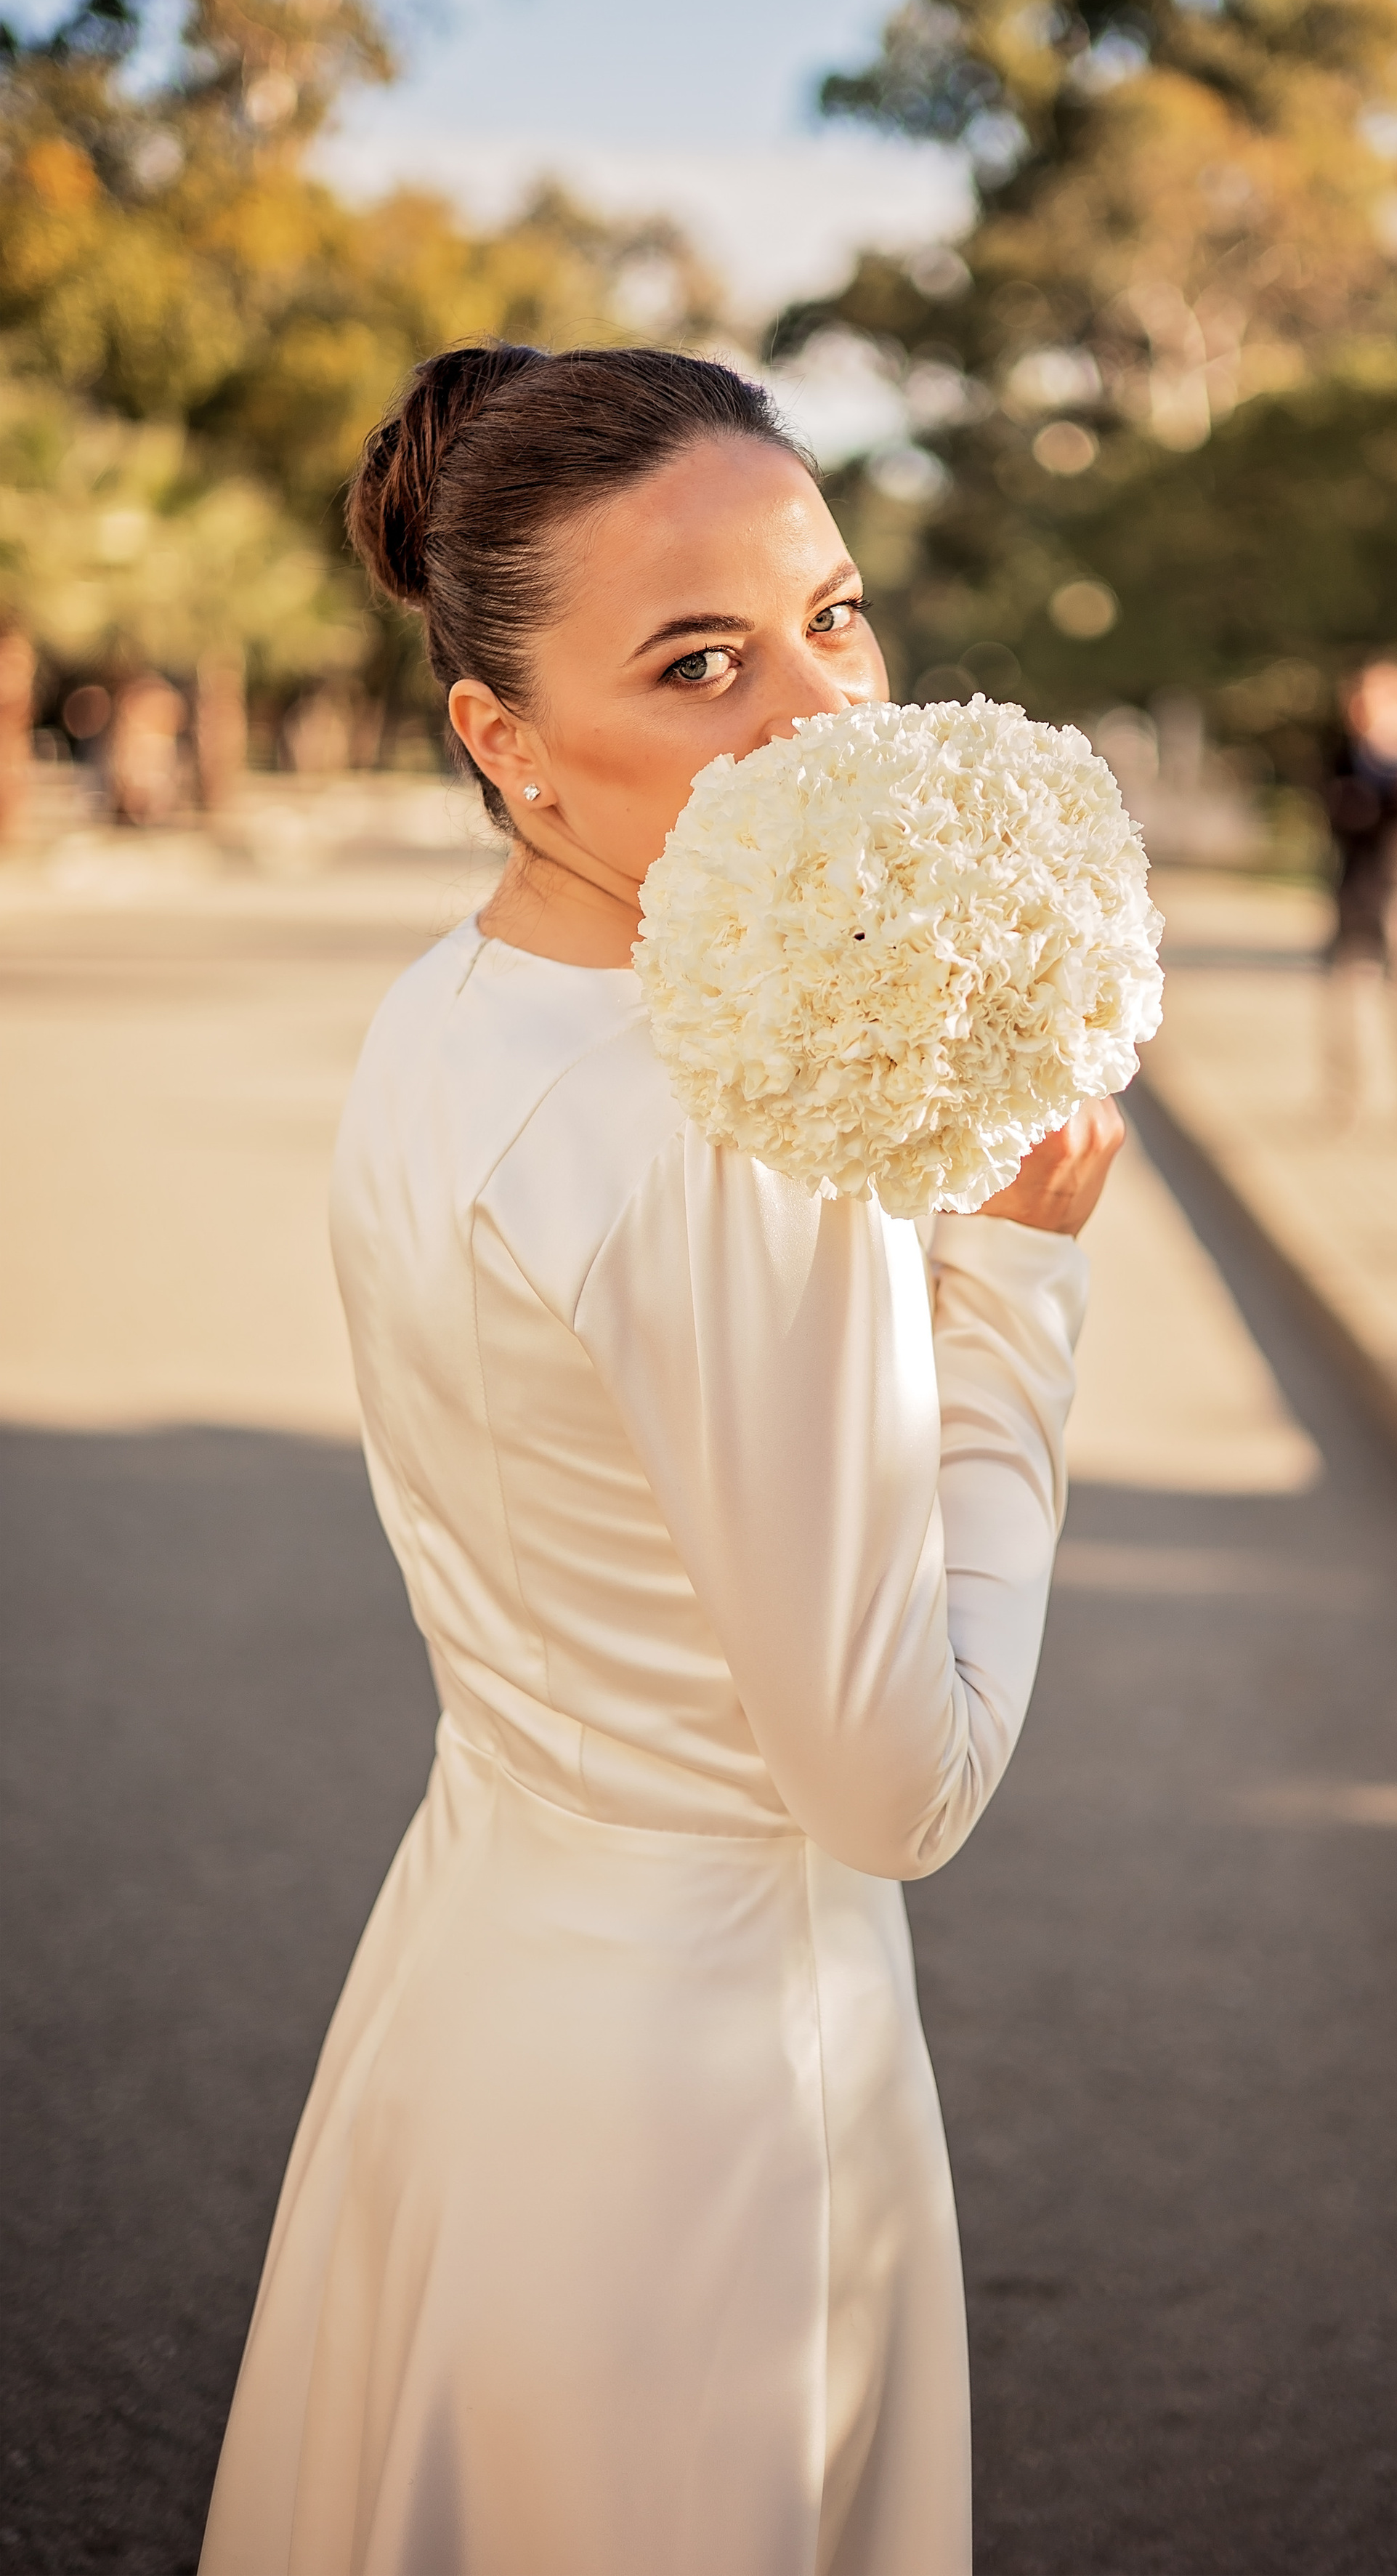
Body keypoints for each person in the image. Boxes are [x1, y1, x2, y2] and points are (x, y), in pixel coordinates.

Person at [198, 342, 1122, 2576]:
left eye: (834, 616)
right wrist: (1015, 1283)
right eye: (699, 662)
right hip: (713, 2097)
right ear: (501, 741)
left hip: (480, 1982)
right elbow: (895, 1785)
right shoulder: (728, 1125)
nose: (818, 717)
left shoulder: (451, 1006)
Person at [1320, 655, 1397, 1122]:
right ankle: (1343, 1094)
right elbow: (1335, 813)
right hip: (1355, 889)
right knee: (1346, 995)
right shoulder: (1345, 755)